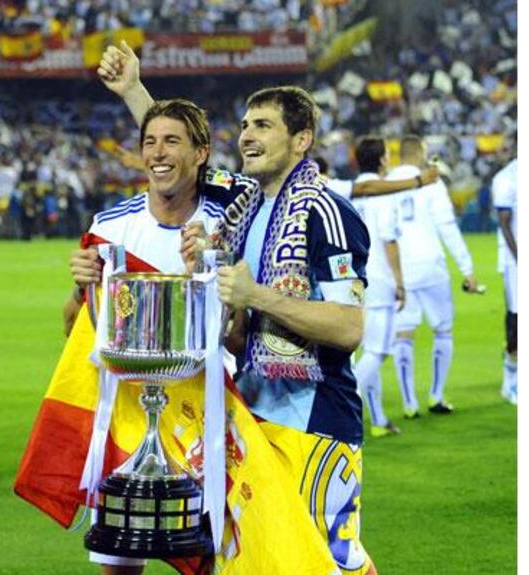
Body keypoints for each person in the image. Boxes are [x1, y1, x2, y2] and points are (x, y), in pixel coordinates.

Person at [99, 42, 377, 574]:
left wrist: (254, 297)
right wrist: (134, 91)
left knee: (323, 564)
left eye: (265, 126)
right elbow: (178, 158)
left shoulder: (327, 212)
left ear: (302, 140)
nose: (248, 135)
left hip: (316, 421)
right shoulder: (246, 207)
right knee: (259, 563)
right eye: (246, 124)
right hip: (252, 414)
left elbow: (349, 327)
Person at [65, 98, 227, 575]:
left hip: (208, 419)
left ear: (200, 153)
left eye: (172, 141)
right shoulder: (111, 227)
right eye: (150, 142)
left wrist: (216, 266)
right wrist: (80, 290)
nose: (158, 152)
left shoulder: (225, 227)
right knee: (119, 561)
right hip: (130, 417)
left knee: (212, 557)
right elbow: (78, 331)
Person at [387, 135, 479, 418]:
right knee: (443, 331)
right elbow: (447, 226)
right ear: (419, 153)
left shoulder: (385, 183)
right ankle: (436, 396)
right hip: (431, 267)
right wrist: (467, 268)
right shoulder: (431, 181)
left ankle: (409, 403)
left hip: (399, 270)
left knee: (404, 334)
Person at [349, 136, 406, 438]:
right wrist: (400, 282)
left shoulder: (350, 192)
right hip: (380, 279)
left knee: (366, 349)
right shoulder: (384, 194)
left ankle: (379, 420)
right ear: (382, 160)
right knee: (379, 350)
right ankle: (342, 403)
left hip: (352, 280)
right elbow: (389, 239)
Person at [492, 156, 517, 404]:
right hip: (516, 261)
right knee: (518, 321)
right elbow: (505, 223)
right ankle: (511, 378)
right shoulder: (507, 178)